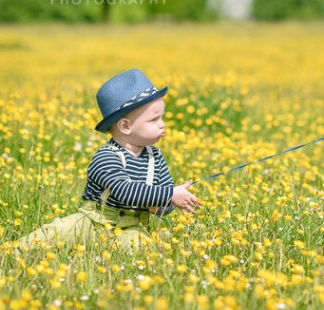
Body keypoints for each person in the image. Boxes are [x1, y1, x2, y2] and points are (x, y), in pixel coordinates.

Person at [18, 68, 200, 251]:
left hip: (131, 226)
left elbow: (161, 207)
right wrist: (169, 194)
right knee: (54, 233)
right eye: (154, 120)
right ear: (125, 126)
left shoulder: (156, 158)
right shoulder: (106, 156)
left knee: (141, 249)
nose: (162, 124)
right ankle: (8, 252)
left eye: (162, 117)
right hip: (91, 222)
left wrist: (164, 203)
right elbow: (124, 190)